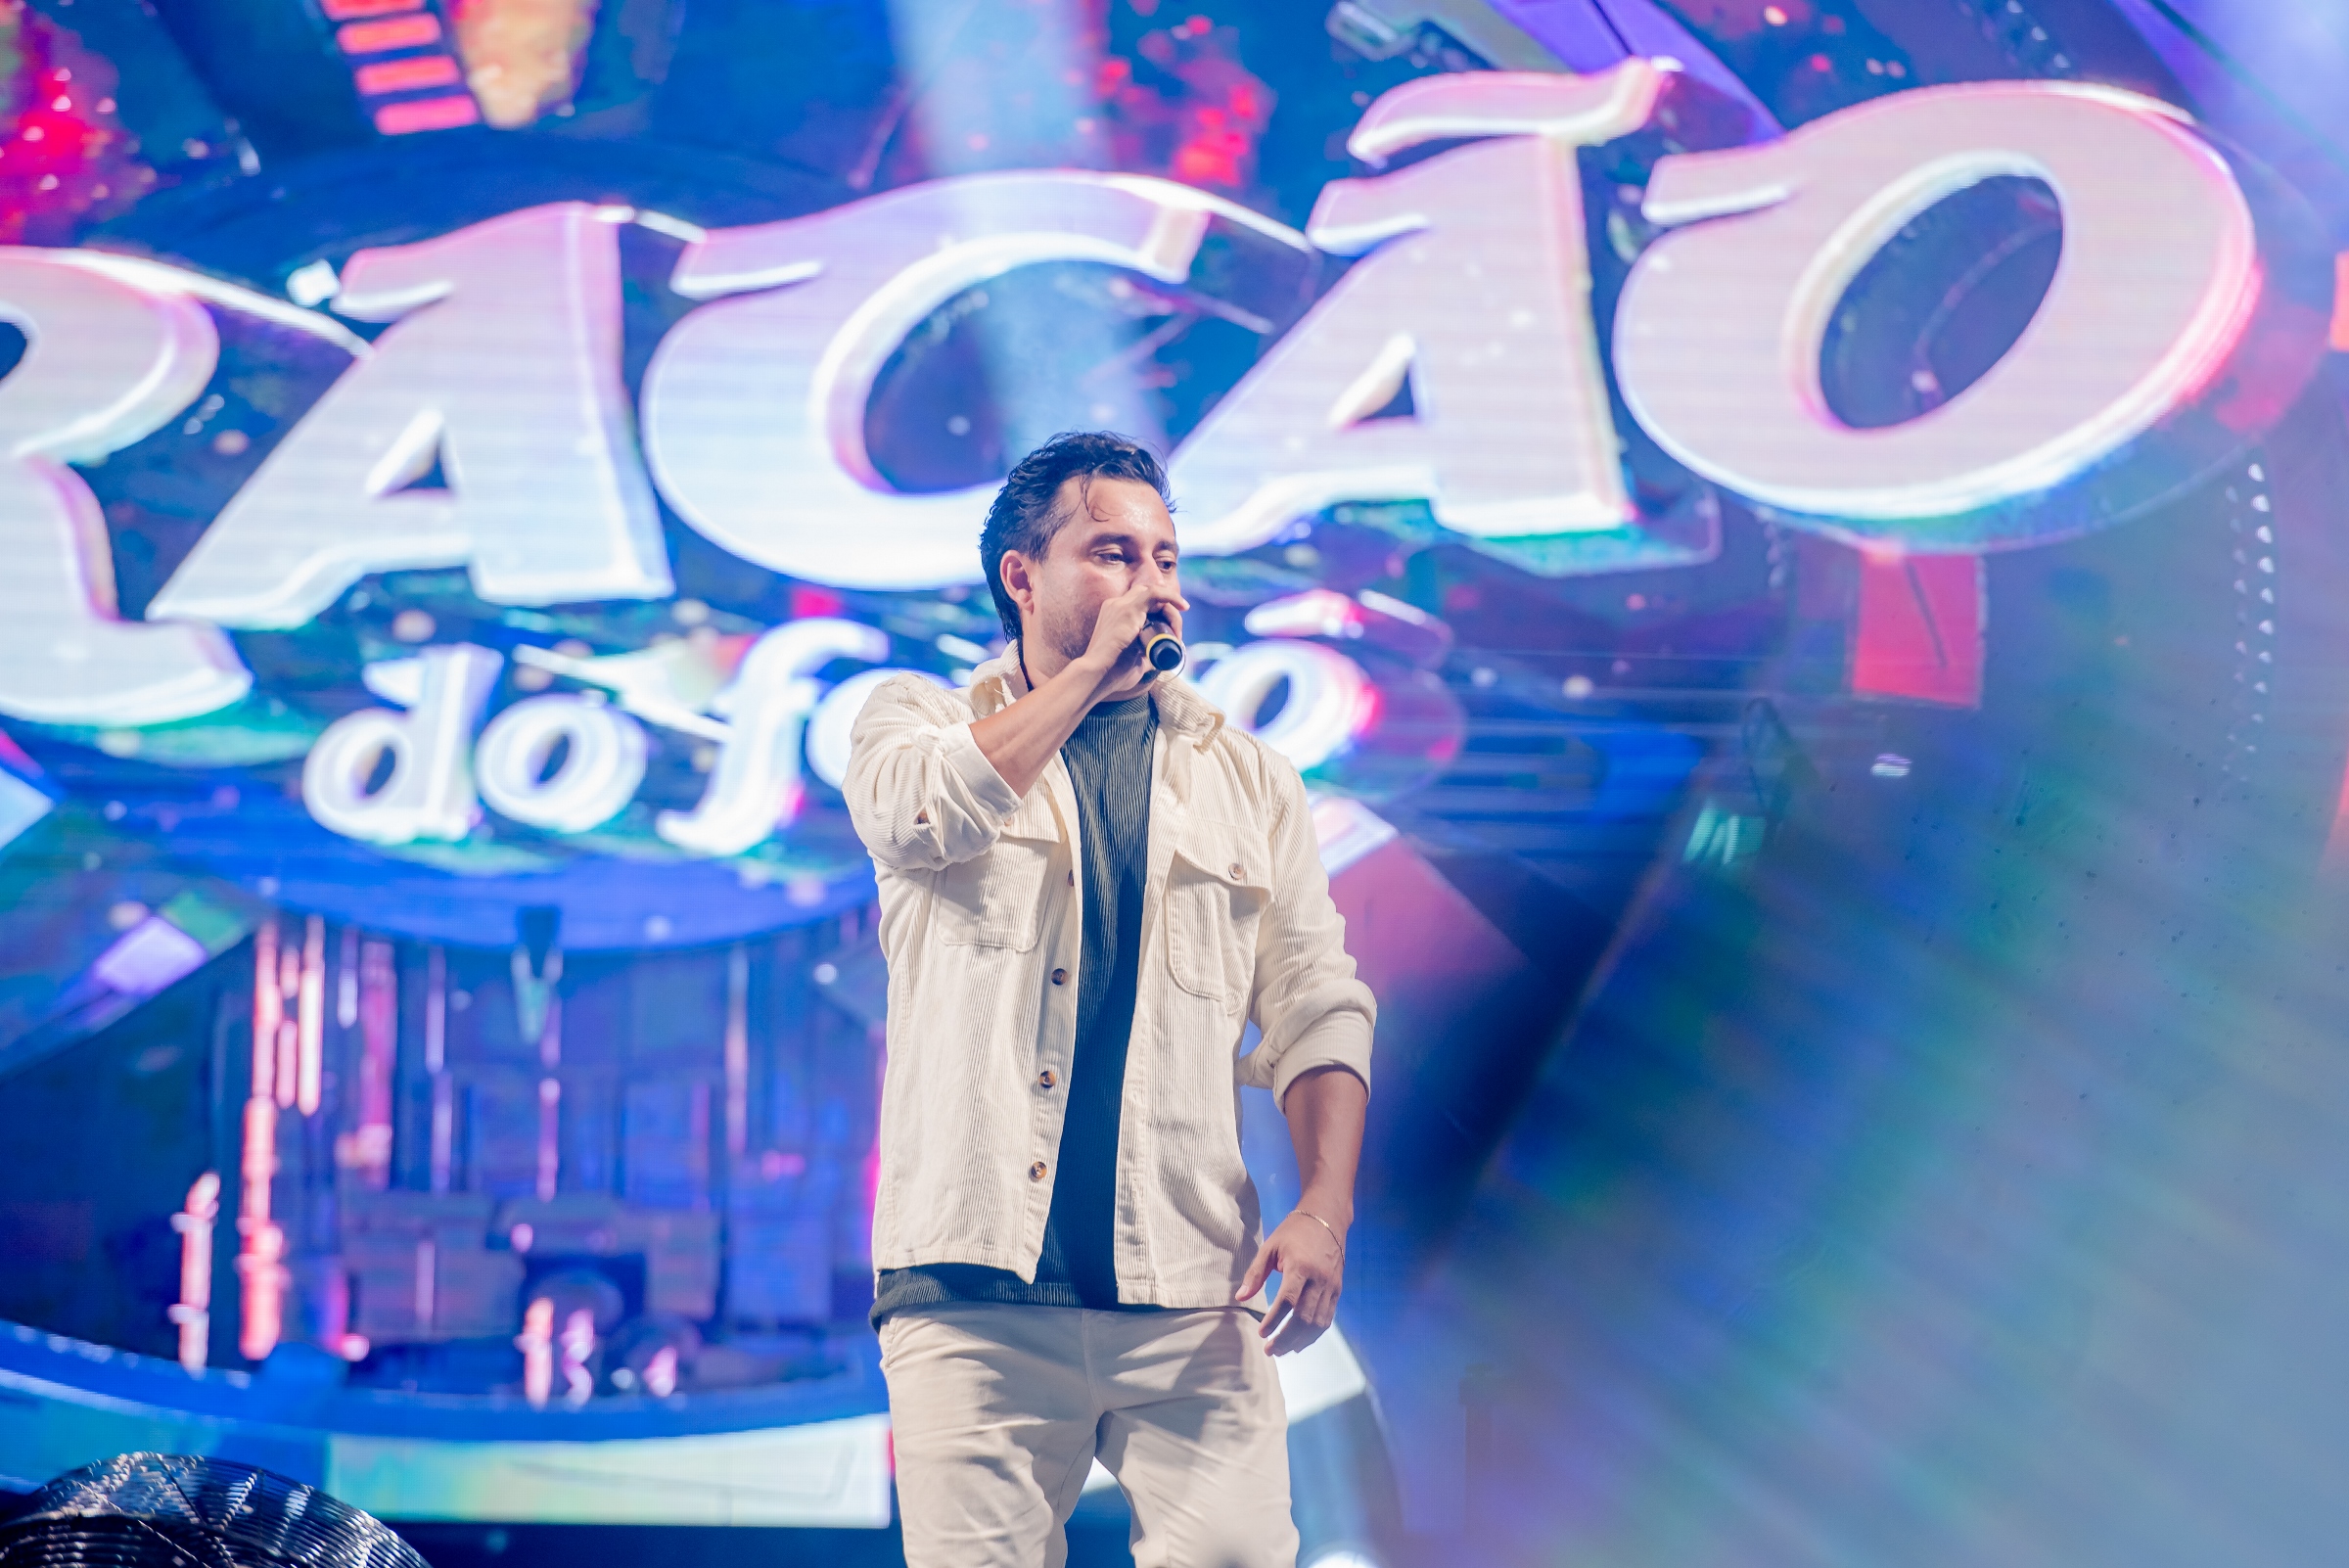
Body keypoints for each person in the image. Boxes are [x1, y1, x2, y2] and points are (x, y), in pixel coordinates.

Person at [844, 431, 1375, 1568]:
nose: (1154, 584)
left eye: (1166, 559)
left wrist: (1324, 1209)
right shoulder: (913, 721)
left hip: (1190, 1284)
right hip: (973, 1292)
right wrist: (1089, 675)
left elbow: (1316, 1002)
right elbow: (920, 814)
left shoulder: (1248, 779)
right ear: (1022, 577)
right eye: (1114, 554)